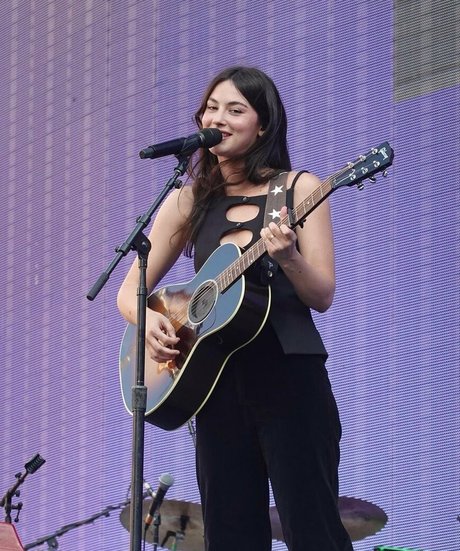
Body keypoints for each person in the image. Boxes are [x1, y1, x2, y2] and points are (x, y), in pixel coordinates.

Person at [117, 66, 353, 551]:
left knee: (313, 531)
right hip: (215, 386)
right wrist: (151, 321)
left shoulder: (298, 189)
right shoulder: (187, 201)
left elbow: (322, 295)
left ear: (262, 126)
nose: (218, 118)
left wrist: (289, 258)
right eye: (211, 108)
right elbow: (129, 292)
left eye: (235, 109)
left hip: (291, 381)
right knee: (230, 537)